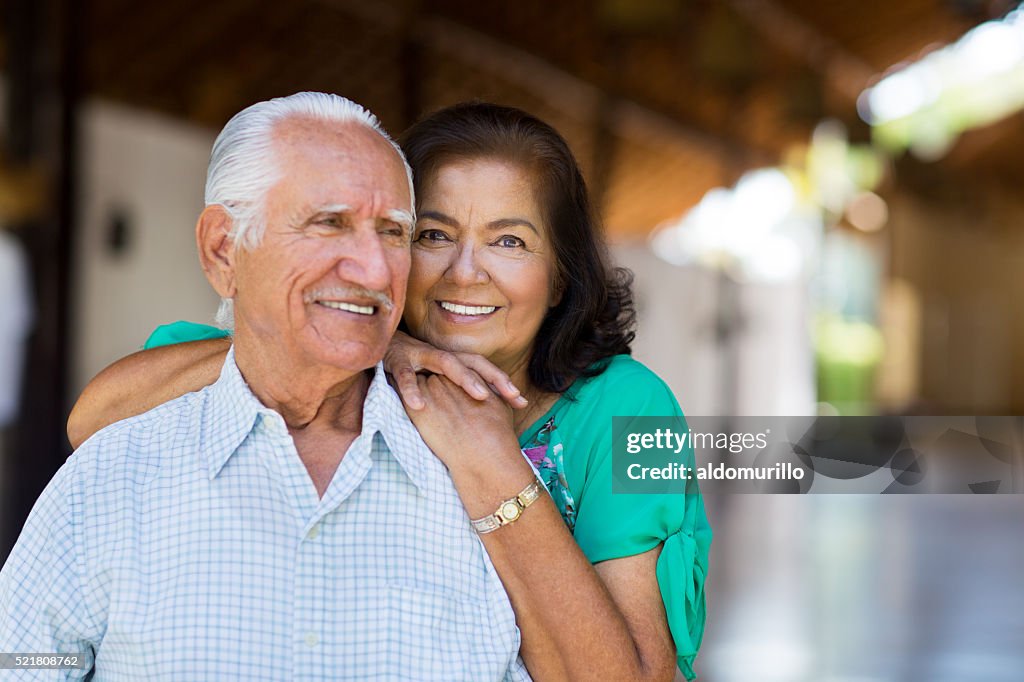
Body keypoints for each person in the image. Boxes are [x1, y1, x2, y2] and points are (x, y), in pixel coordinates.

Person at [66, 103, 712, 680]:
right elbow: (91, 422)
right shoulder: (337, 366)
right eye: (432, 235)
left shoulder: (629, 408)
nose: (464, 273)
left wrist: (487, 461)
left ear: (562, 273)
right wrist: (375, 342)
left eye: (509, 240)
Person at [0, 92, 530, 680]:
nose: (376, 270)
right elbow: (22, 657)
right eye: (330, 223)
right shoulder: (115, 476)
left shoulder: (480, 481)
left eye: (393, 232)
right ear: (224, 250)